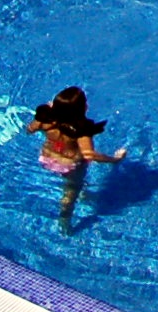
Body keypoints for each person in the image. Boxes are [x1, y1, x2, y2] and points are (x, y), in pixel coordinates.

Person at [26, 86, 126, 222]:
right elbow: (89, 155)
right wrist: (115, 159)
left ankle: (81, 196)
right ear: (83, 109)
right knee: (71, 192)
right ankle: (65, 222)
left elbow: (30, 129)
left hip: (46, 158)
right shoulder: (81, 130)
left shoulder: (45, 121)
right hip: (69, 165)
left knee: (73, 187)